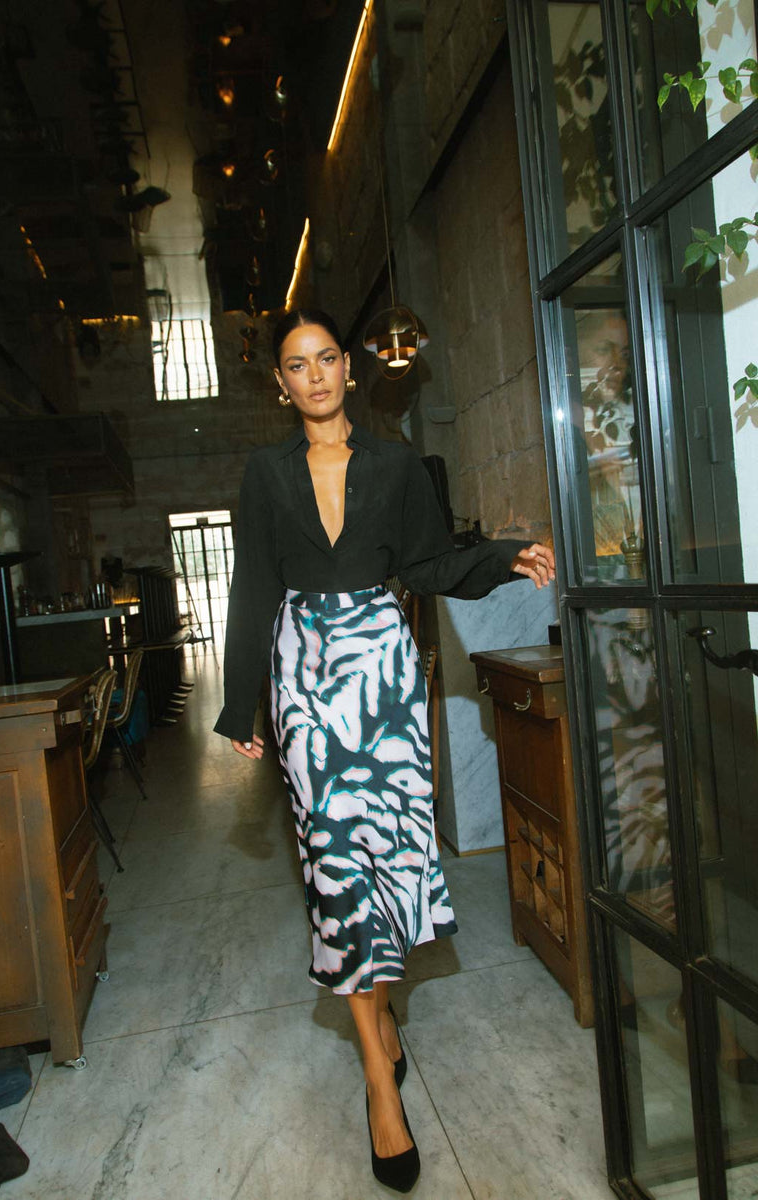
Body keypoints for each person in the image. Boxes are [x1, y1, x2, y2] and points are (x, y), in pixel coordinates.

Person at [213, 308, 555, 1192]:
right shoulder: (263, 473)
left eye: (328, 357)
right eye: (298, 363)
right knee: (334, 866)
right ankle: (378, 1077)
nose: (317, 374)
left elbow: (433, 565)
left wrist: (509, 556)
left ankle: (381, 1024)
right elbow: (254, 585)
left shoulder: (400, 464)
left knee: (387, 861)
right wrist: (237, 702)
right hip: (306, 681)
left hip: (384, 680)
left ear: (348, 373)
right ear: (280, 384)